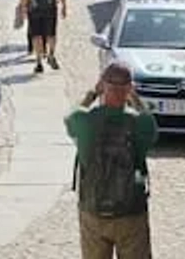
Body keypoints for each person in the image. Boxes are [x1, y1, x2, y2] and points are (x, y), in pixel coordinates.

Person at [66, 62, 158, 259]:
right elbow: (150, 123)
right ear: (129, 89)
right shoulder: (139, 123)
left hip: (93, 209)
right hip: (131, 209)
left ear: (103, 86)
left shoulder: (85, 120)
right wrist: (134, 97)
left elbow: (71, 116)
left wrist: (92, 93)